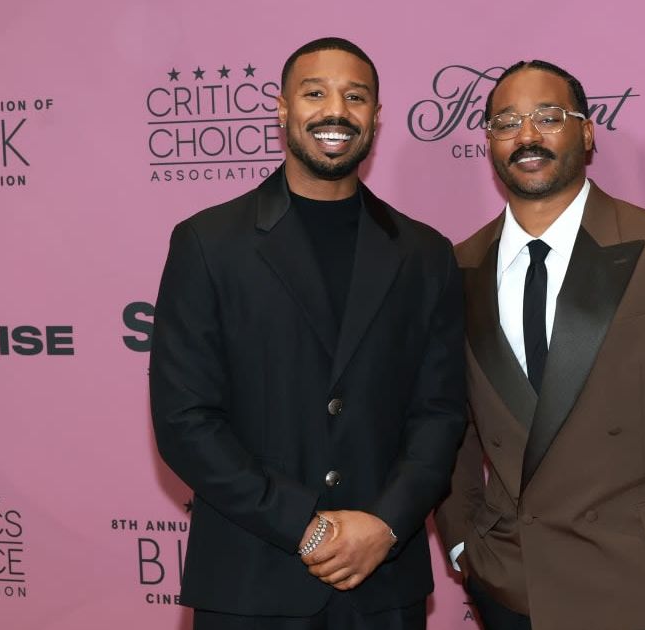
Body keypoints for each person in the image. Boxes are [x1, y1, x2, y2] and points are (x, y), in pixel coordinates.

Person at [434, 59, 645, 630]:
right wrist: (464, 543)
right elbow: (446, 420)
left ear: (586, 132)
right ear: (488, 143)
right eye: (507, 122)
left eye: (548, 116)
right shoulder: (456, 267)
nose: (527, 135)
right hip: (515, 584)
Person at [150, 37, 465, 630]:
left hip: (382, 583)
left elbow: (441, 413)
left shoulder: (426, 254)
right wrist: (305, 524)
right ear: (282, 108)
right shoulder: (208, 244)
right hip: (251, 577)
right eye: (315, 93)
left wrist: (386, 524)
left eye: (355, 96)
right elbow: (185, 421)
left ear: (376, 116)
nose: (335, 111)